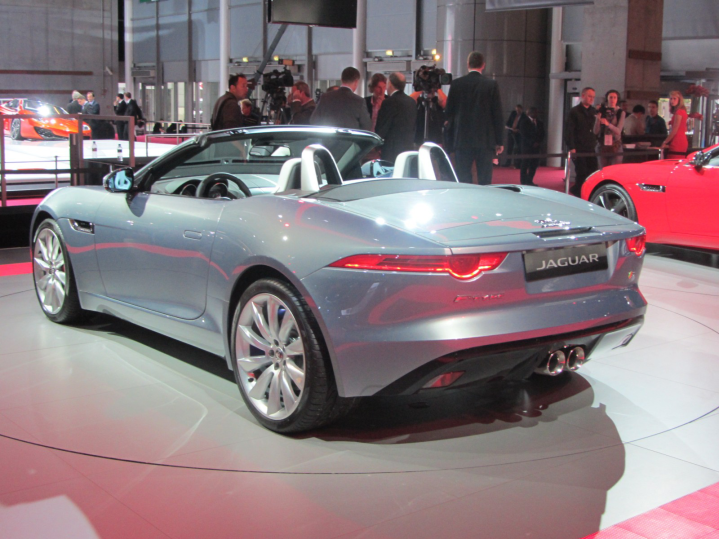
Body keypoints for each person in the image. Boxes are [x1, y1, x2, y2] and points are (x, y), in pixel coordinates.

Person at [444, 51, 504, 185]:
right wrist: (499, 141)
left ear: (468, 64)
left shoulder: (457, 84)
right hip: (485, 140)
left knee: (463, 178)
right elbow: (497, 114)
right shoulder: (491, 84)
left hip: (462, 139)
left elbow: (448, 113)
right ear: (483, 65)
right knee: (485, 180)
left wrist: (450, 140)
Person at [374, 72, 417, 163]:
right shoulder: (412, 102)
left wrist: (377, 146)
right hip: (408, 148)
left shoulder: (388, 102)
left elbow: (382, 127)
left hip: (391, 150)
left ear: (390, 84)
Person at [565, 87, 598, 197]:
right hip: (578, 146)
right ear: (583, 96)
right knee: (581, 171)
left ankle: (588, 193)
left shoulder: (594, 112)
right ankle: (578, 193)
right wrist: (572, 147)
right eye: (589, 96)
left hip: (590, 146)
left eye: (593, 97)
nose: (591, 99)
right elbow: (569, 130)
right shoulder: (574, 111)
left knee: (593, 171)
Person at [594, 89, 625, 168]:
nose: (612, 100)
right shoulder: (602, 111)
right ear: (607, 98)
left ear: (617, 99)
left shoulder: (620, 112)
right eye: (610, 97)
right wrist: (598, 120)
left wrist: (608, 124)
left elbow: (618, 131)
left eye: (615, 98)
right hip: (602, 144)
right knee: (603, 169)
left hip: (615, 144)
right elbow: (596, 131)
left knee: (615, 169)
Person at [518, 107, 544, 186]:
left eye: (536, 112)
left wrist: (538, 142)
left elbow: (543, 134)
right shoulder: (524, 122)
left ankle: (529, 180)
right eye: (533, 112)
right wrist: (532, 142)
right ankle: (523, 181)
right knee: (525, 164)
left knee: (534, 164)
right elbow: (524, 134)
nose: (535, 114)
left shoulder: (540, 122)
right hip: (526, 147)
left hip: (536, 147)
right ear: (529, 113)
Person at [661, 90, 689, 159]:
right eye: (671, 98)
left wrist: (665, 142)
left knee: (672, 161)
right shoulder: (682, 111)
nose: (672, 101)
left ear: (679, 100)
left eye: (674, 98)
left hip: (677, 141)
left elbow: (674, 130)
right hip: (681, 139)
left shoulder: (679, 112)